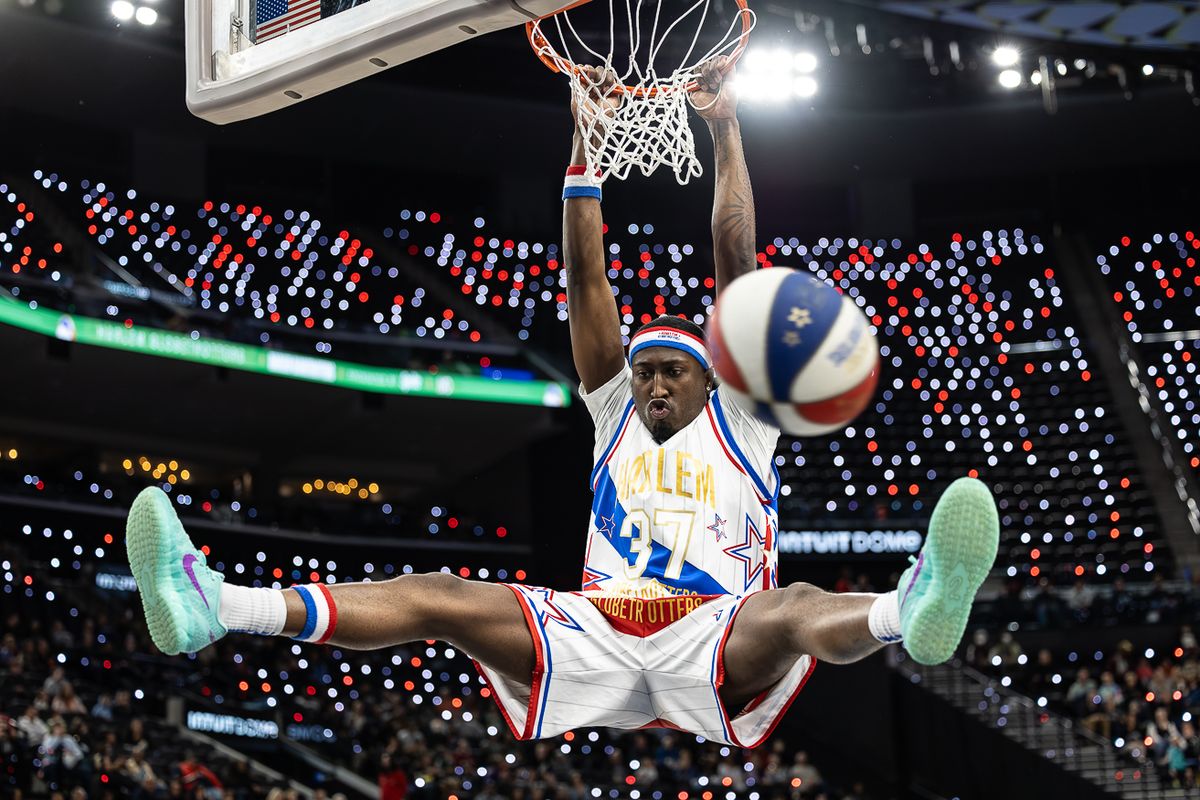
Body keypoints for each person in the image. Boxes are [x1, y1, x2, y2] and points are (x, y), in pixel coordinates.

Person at [124, 57, 999, 748]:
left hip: (715, 633)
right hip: (598, 629)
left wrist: (725, 128)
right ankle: (218, 606)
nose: (653, 380)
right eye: (646, 367)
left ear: (715, 376)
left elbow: (737, 257)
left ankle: (907, 611)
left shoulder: (745, 415)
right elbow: (588, 280)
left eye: (673, 371)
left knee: (798, 607)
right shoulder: (614, 405)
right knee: (435, 595)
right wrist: (585, 157)